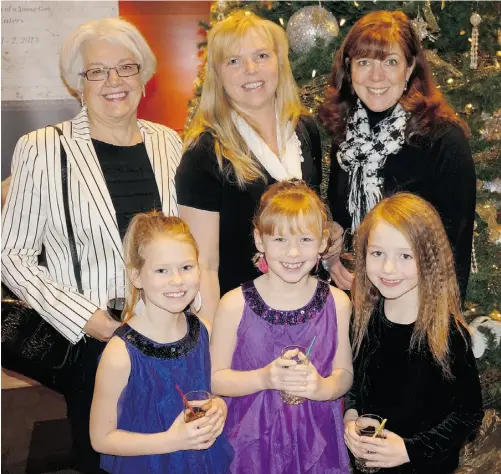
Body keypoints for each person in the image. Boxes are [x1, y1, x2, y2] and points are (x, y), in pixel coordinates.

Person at [1, 18, 181, 473]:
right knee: (105, 458)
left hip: (171, 334)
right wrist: (91, 321)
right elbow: (12, 255)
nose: (114, 82)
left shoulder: (170, 143)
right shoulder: (42, 147)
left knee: (173, 450)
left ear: (145, 75)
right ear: (77, 83)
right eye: (97, 71)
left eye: (125, 67)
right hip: (96, 342)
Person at [175, 10, 323, 322]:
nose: (251, 70)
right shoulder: (205, 153)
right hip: (242, 322)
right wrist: (214, 346)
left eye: (261, 56)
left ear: (279, 64)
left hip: (309, 311)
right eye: (234, 61)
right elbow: (204, 265)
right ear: (218, 75)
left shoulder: (304, 131)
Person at [319, 10, 476, 300]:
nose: (376, 76)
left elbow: (455, 246)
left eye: (390, 62)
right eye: (364, 62)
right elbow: (343, 221)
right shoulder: (346, 137)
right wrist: (332, 256)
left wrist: (437, 325)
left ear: (409, 69)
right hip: (356, 300)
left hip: (417, 308)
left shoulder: (442, 138)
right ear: (349, 69)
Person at [210, 181, 353, 473]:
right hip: (249, 443)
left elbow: (345, 373)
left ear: (323, 242)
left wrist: (322, 386)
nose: (292, 253)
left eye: (305, 240)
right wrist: (265, 378)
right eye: (279, 240)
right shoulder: (233, 304)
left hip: (317, 437)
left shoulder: (338, 303)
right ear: (260, 241)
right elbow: (214, 379)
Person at [344, 193, 483, 474]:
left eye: (405, 255)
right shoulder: (363, 318)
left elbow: (468, 416)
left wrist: (409, 450)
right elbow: (357, 387)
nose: (388, 268)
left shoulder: (449, 333)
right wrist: (351, 418)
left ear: (430, 259)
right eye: (377, 253)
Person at [89, 212, 233, 473]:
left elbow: (215, 389)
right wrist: (172, 440)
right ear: (136, 277)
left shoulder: (205, 333)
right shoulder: (120, 354)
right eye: (161, 270)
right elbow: (101, 438)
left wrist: (220, 405)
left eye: (186, 267)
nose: (177, 280)